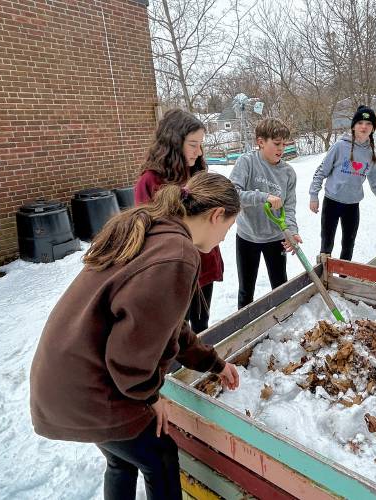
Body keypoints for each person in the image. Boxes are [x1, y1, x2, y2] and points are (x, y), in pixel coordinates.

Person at [30, 172, 241, 500]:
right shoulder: (177, 254)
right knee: (161, 456)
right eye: (228, 228)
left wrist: (213, 363)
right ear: (216, 216)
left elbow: (164, 326)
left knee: (121, 459)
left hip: (64, 378)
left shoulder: (156, 227)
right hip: (92, 388)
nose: (225, 239)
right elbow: (129, 356)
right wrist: (149, 398)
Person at [134, 109, 222, 333]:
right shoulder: (151, 181)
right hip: (173, 269)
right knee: (175, 330)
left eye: (201, 144)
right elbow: (145, 230)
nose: (199, 151)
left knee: (201, 324)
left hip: (203, 262)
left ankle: (200, 366)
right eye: (193, 144)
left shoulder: (197, 172)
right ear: (174, 141)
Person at [309, 105, 376, 261]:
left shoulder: (371, 155)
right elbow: (321, 171)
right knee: (326, 243)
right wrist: (313, 195)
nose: (364, 127)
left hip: (352, 205)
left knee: (348, 244)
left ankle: (343, 279)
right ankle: (325, 278)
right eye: (360, 123)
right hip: (332, 201)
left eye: (368, 123)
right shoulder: (339, 146)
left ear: (372, 128)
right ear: (353, 126)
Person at [229, 118, 301, 309]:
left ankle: (284, 324)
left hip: (275, 238)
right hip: (247, 236)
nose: (281, 149)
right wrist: (263, 197)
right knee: (246, 290)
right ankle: (243, 329)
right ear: (260, 142)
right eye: (277, 144)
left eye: (284, 144)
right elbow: (232, 194)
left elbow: (290, 207)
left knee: (280, 287)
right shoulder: (246, 162)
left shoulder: (288, 173)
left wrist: (291, 231)